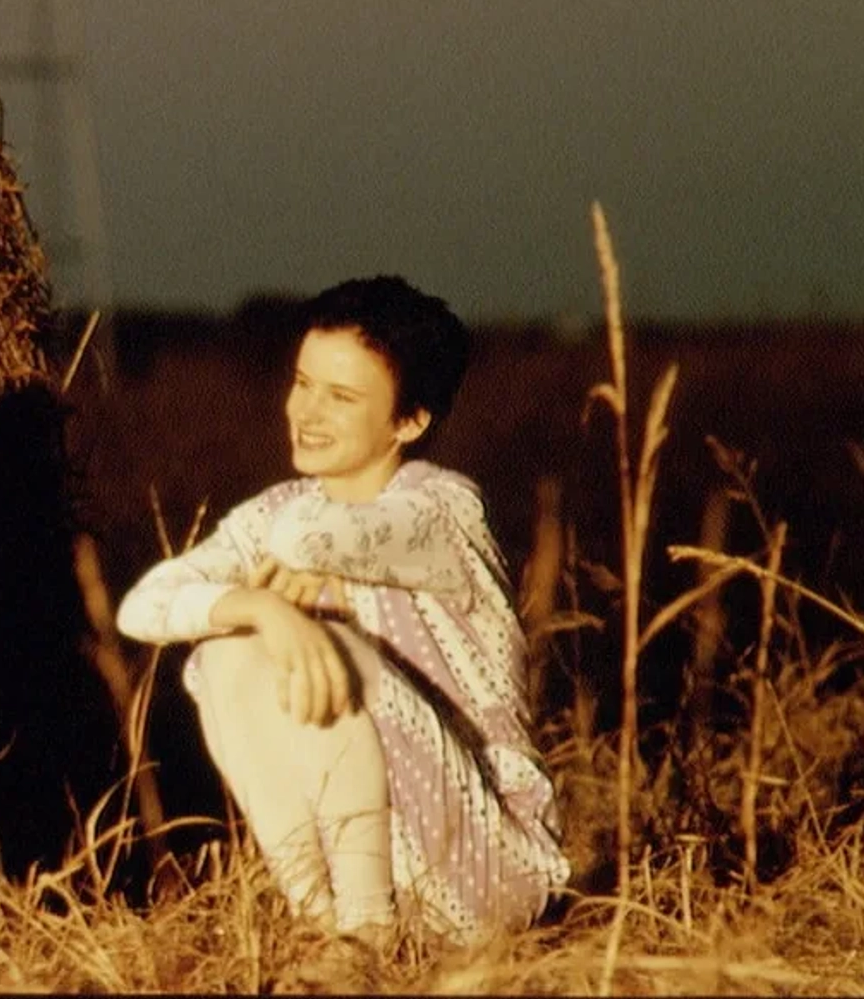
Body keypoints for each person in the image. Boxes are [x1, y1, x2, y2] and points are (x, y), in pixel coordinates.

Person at [115, 275, 569, 948]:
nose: (308, 411)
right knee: (222, 653)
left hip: (487, 860)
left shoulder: (443, 510)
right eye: (303, 383)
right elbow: (141, 606)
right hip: (376, 854)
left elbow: (312, 535)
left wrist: (299, 586)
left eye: (342, 395)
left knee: (324, 644)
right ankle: (325, 926)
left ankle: (365, 934)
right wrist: (264, 609)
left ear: (410, 420)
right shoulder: (281, 508)